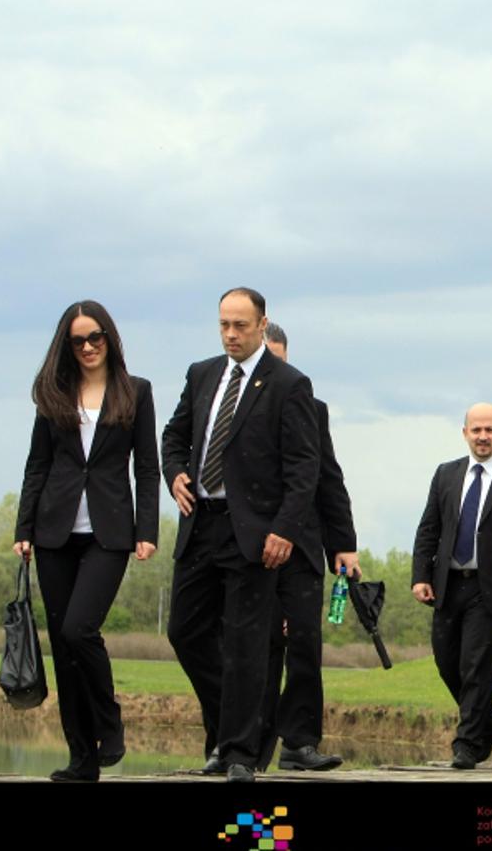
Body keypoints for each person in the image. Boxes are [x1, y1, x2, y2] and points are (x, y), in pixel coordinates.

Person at [162, 287, 320, 782]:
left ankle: (237, 754)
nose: (231, 334)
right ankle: (237, 720)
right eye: (224, 325)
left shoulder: (289, 384)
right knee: (184, 631)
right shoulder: (202, 373)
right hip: (201, 522)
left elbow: (304, 467)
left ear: (261, 323)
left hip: (253, 532)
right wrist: (174, 474)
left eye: (241, 326)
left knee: (247, 640)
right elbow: (174, 435)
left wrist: (285, 530)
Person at [14, 301, 159, 781]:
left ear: (109, 337)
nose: (89, 347)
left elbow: (147, 468)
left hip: (109, 532)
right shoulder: (53, 394)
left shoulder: (136, 392)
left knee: (80, 629)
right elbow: (38, 464)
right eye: (78, 340)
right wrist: (23, 529)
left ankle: (109, 722)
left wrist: (147, 531)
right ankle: (82, 758)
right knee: (62, 643)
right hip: (53, 532)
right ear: (66, 345)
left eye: (95, 336)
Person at [411, 403, 492, 770]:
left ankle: (467, 743)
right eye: (476, 430)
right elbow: (428, 528)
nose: (483, 436)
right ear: (465, 432)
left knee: (477, 666)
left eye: (490, 430)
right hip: (449, 585)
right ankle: (491, 723)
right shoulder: (446, 474)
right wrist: (420, 575)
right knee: (446, 661)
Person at [258, 323, 361, 771]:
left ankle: (299, 743)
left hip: (302, 545)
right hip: (248, 546)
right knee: (256, 646)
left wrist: (344, 544)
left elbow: (328, 478)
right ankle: (246, 743)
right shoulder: (232, 409)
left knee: (304, 641)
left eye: (279, 362)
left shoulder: (310, 408)